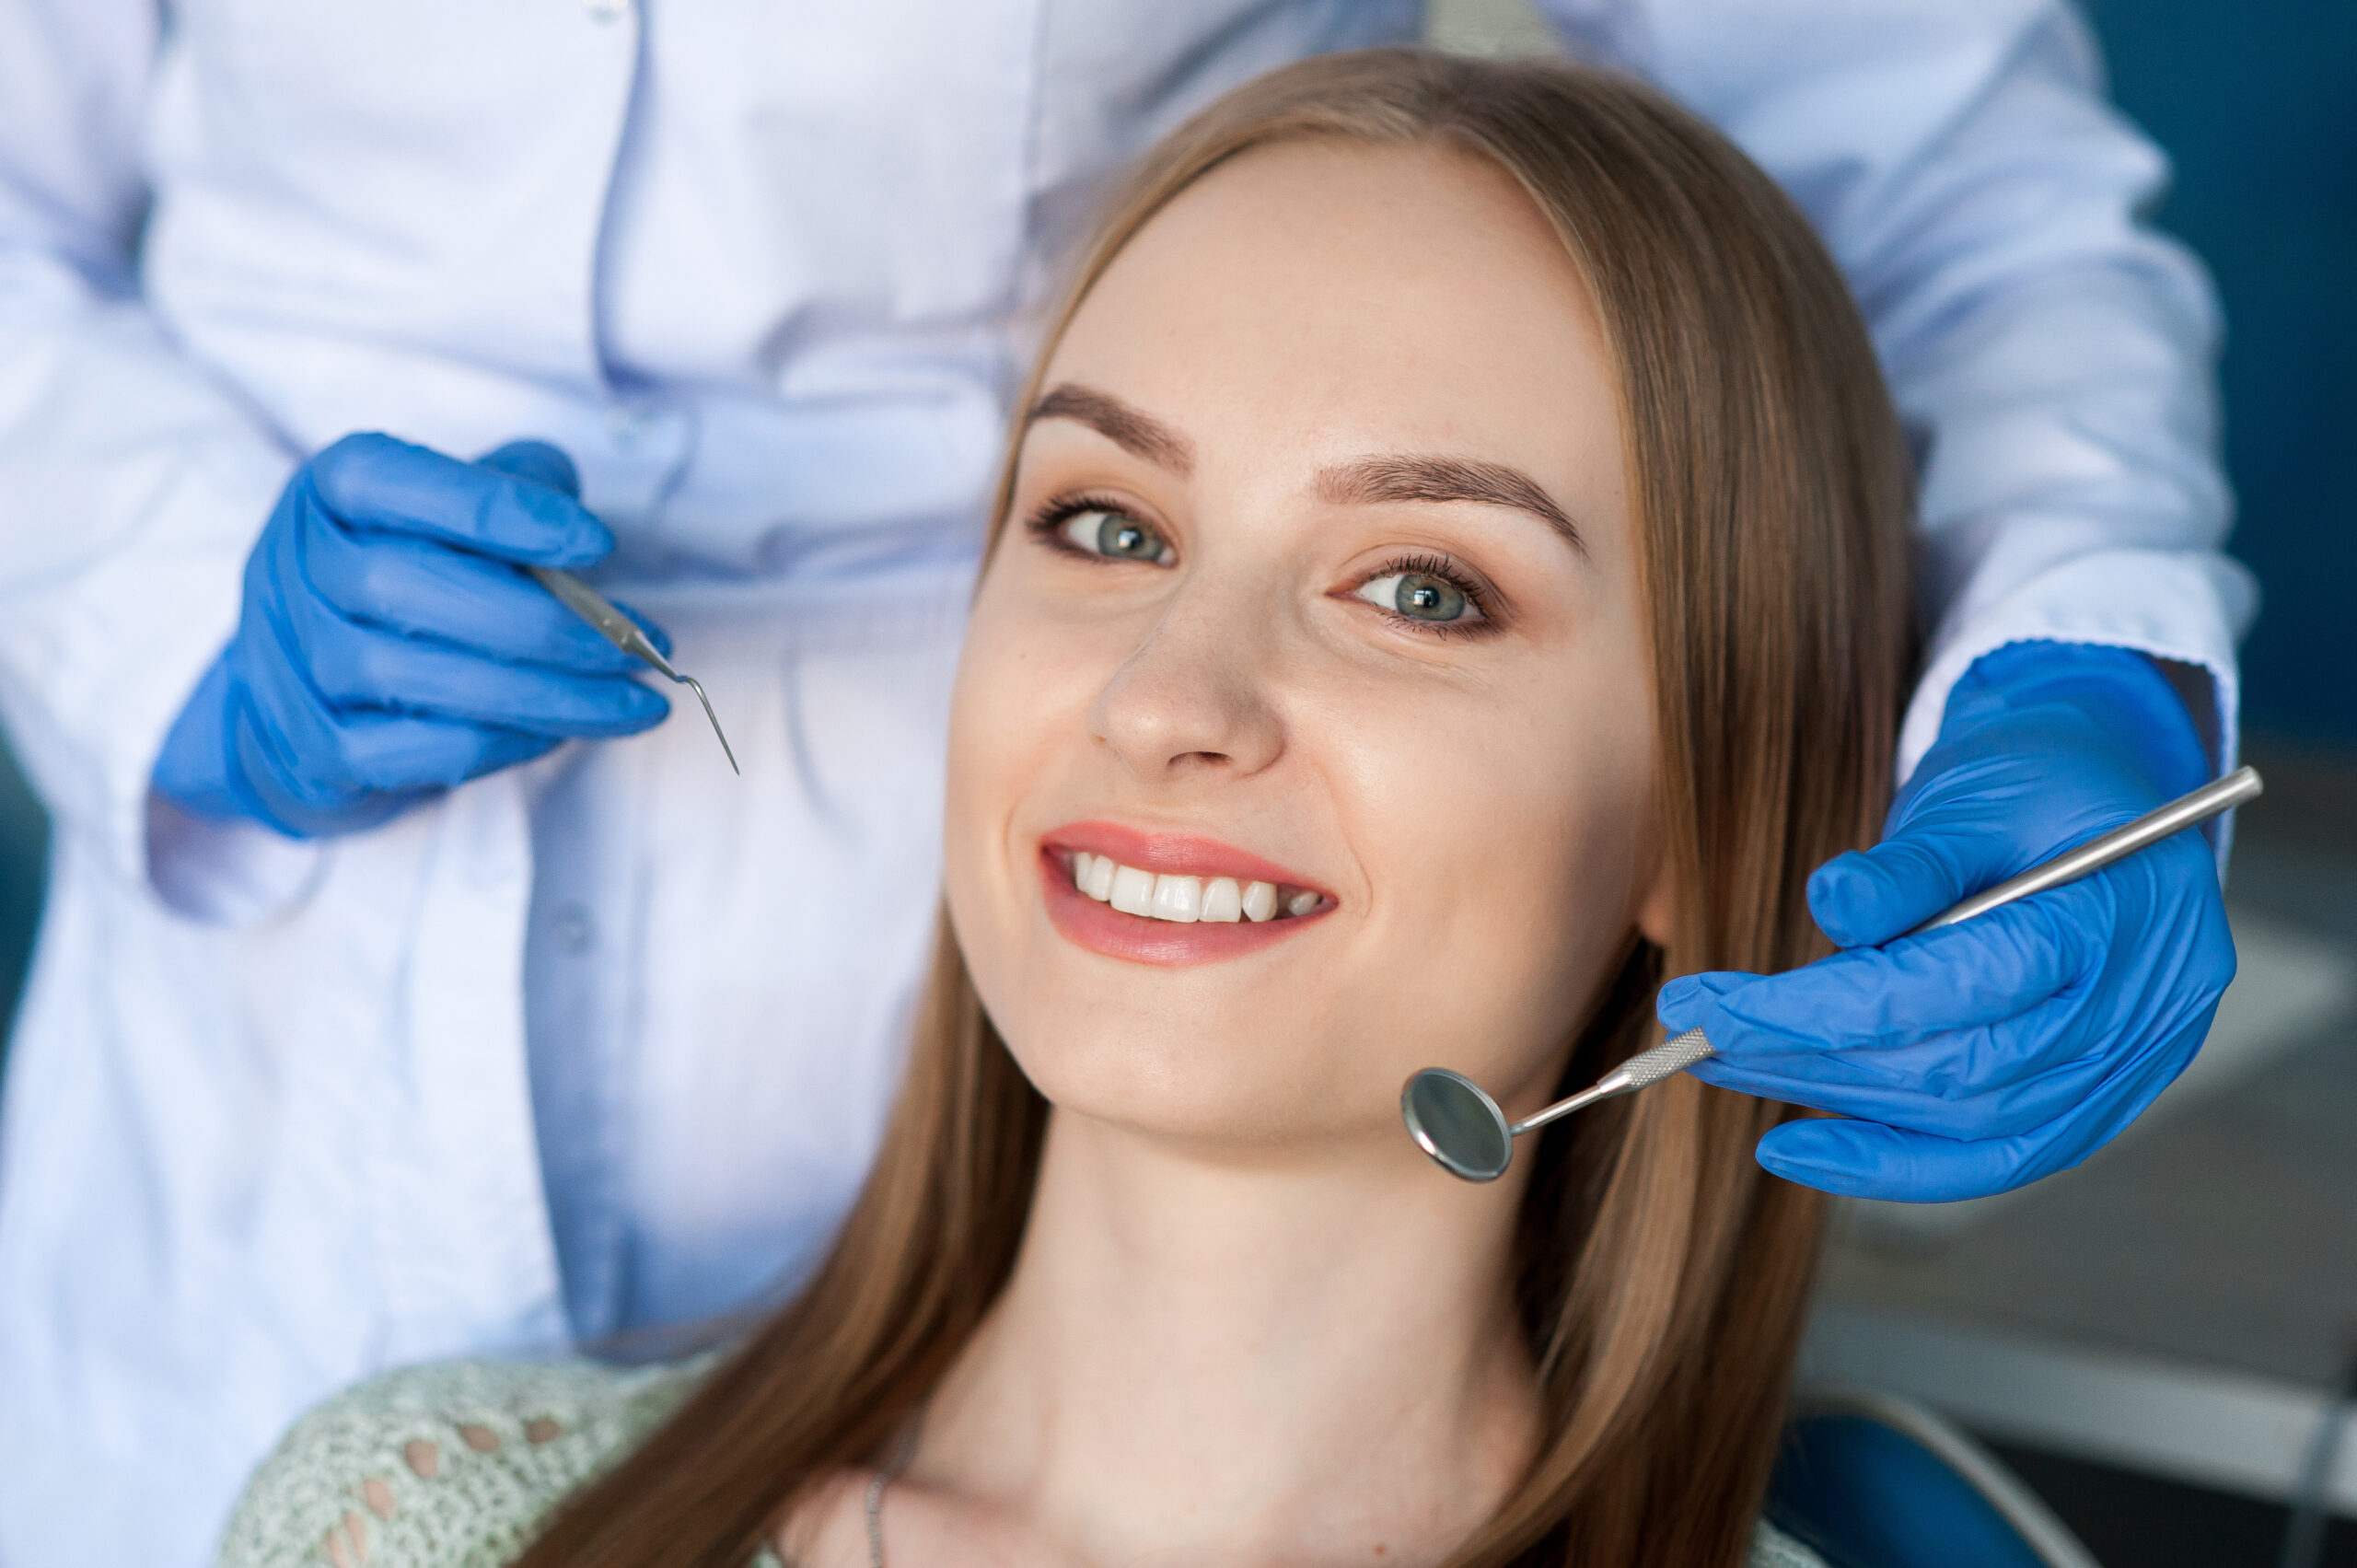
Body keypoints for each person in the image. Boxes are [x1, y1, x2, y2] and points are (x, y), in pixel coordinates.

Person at [0, 2, 2244, 1563]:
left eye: (1425, 589)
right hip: (252, 1139)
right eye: (1102, 526)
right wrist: (160, 589)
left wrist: (2082, 659)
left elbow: (1941, 158)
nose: (1175, 690)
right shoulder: (395, 1515)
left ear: (1701, 807)